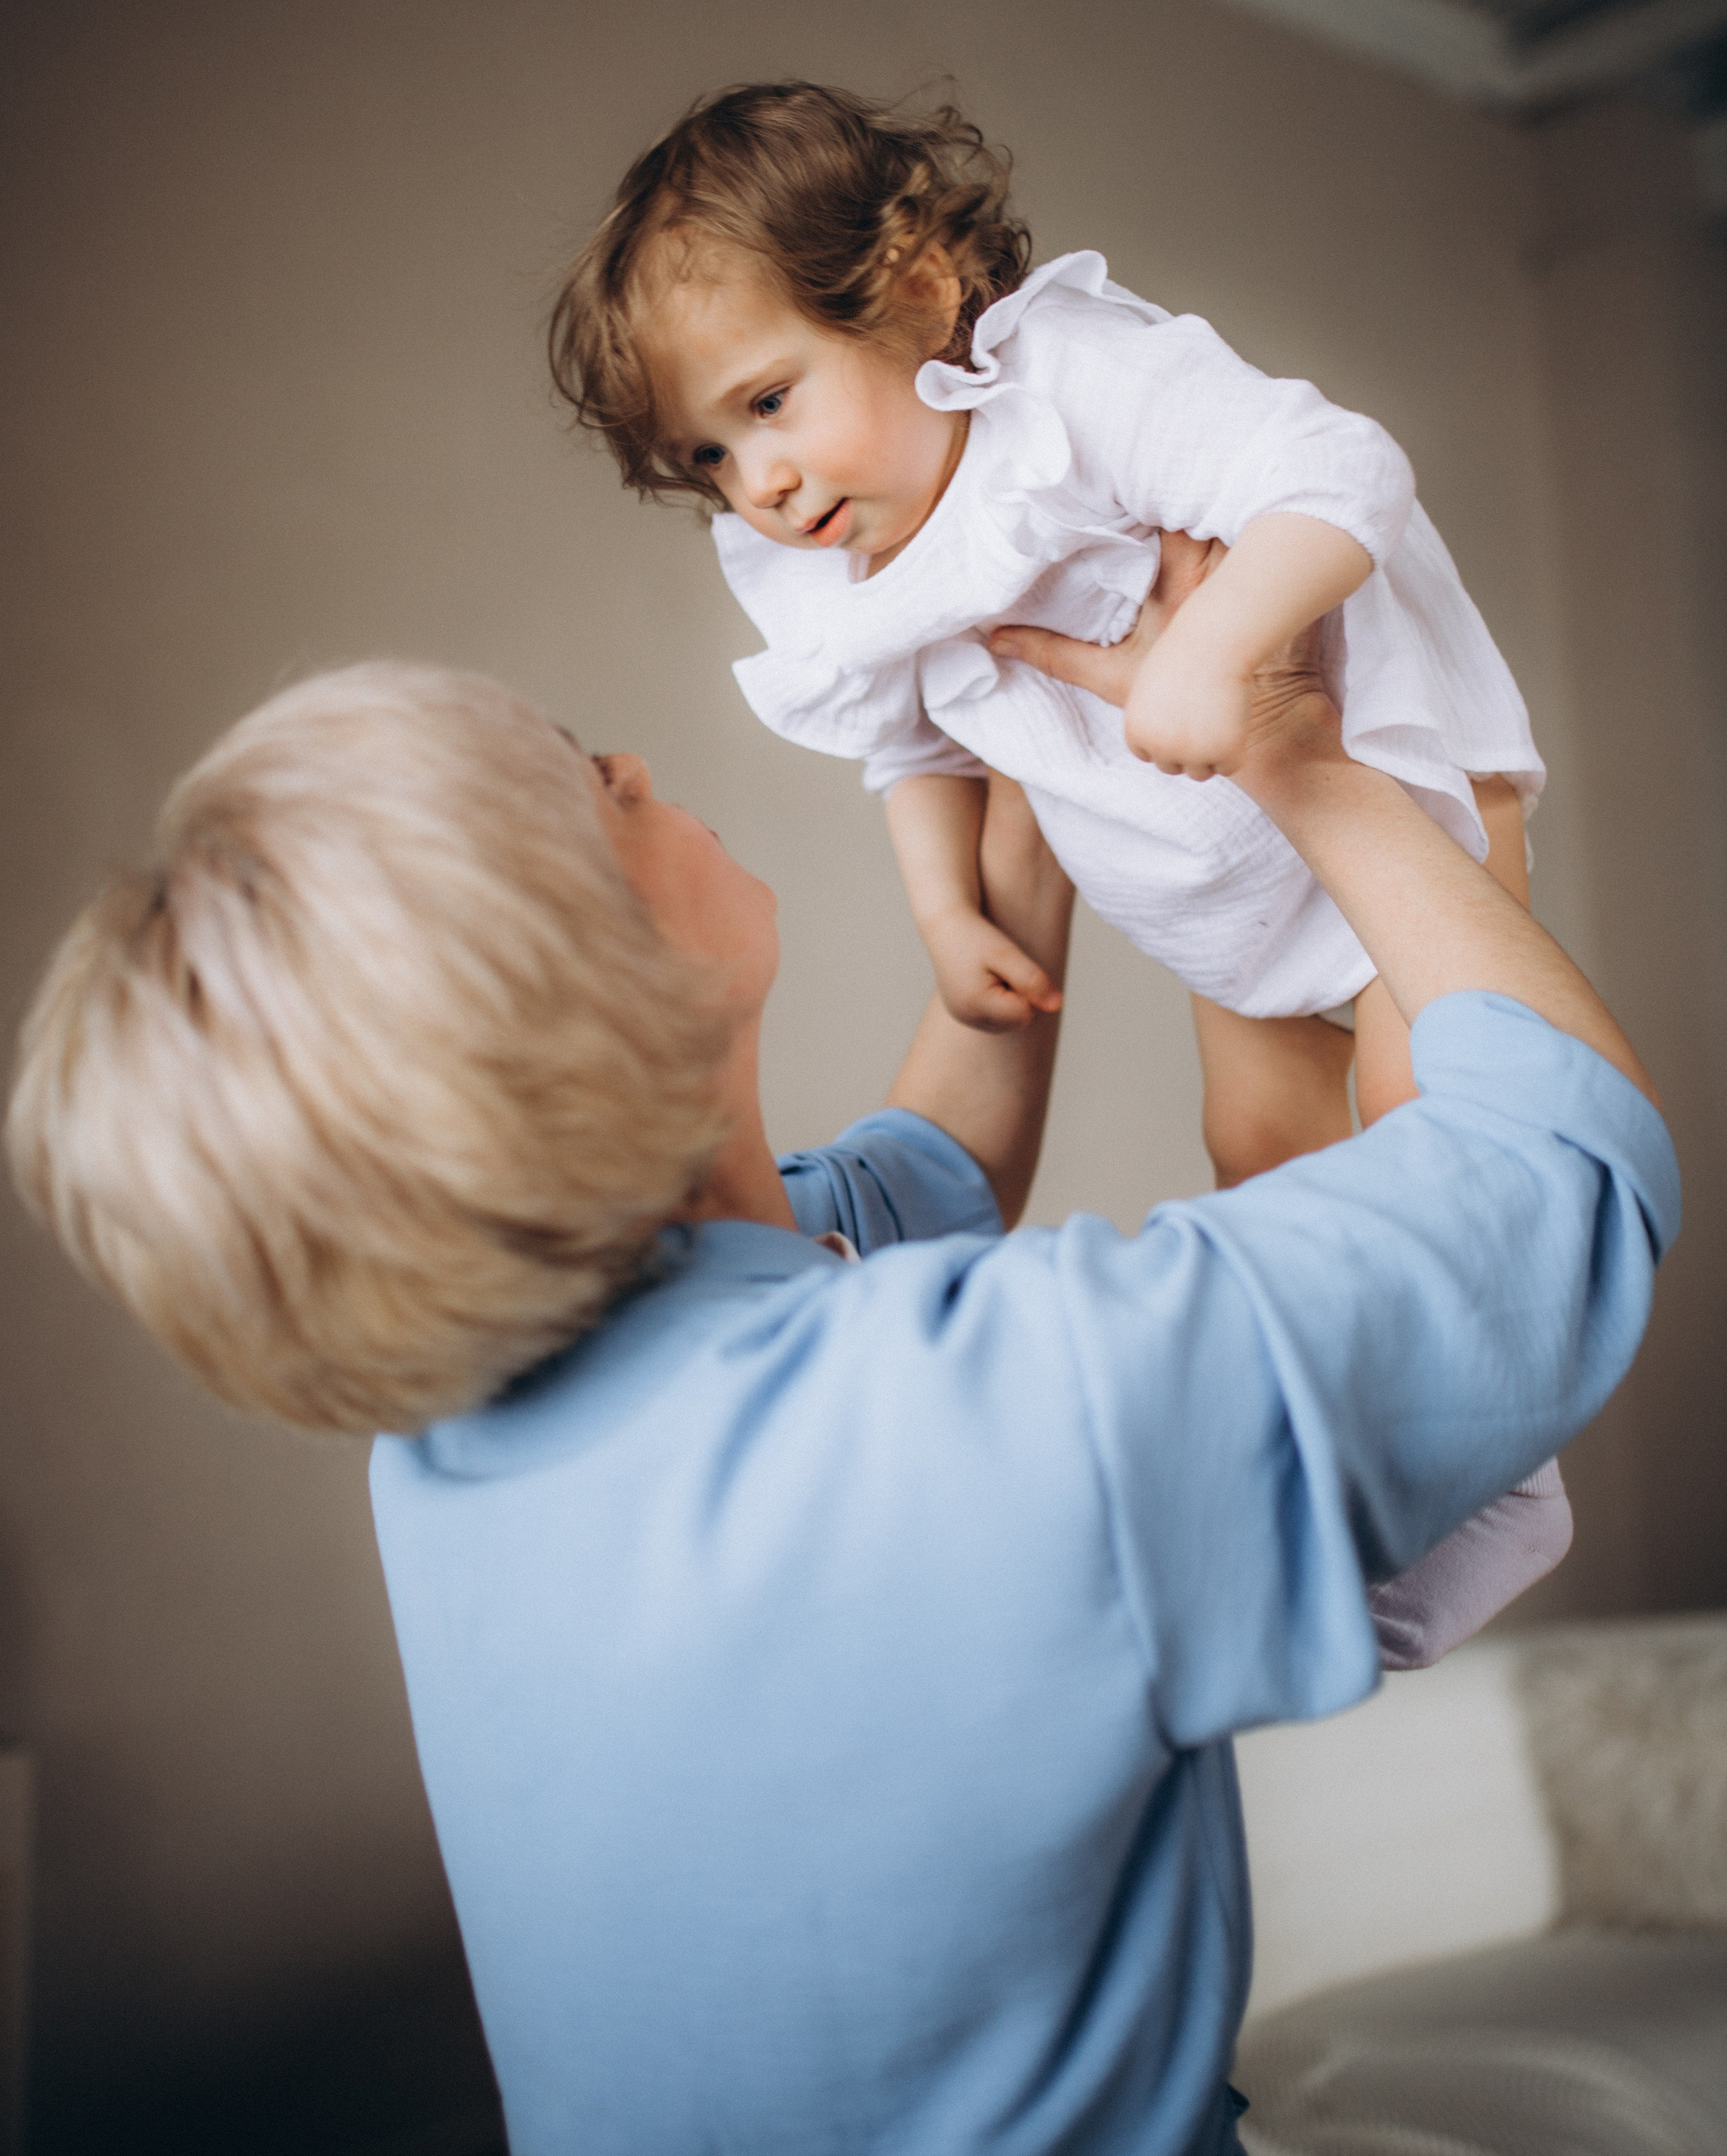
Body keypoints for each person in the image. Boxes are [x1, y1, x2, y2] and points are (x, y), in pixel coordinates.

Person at [6, 568, 1674, 2155]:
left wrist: (1035, 763)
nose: (639, 762)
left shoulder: (456, 1438)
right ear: (594, 986)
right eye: (596, 783)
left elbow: (922, 1173)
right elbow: (1567, 1168)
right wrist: (1295, 763)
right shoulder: (1024, 1410)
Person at [552, 81, 1541, 1187]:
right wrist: (947, 915)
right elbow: (916, 750)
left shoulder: (1066, 387)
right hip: (1217, 884)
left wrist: (1218, 650)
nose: (761, 484)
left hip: (1391, 780)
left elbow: (1344, 471)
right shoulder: (840, 562)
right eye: (709, 457)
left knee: (1439, 1116)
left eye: (770, 401)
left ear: (920, 292)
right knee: (1259, 1154)